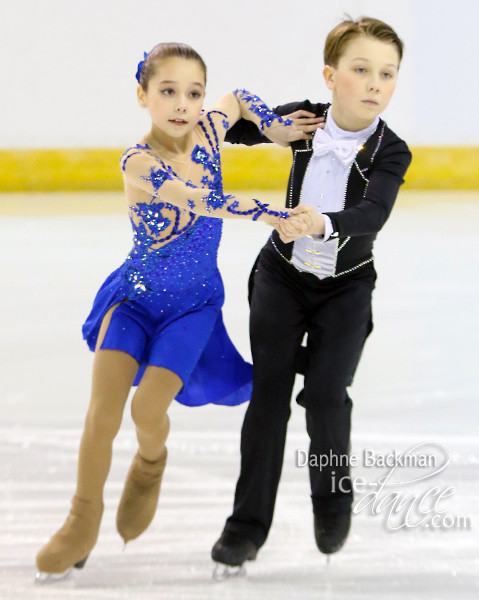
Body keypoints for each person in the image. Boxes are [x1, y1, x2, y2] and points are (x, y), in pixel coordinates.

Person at [35, 42, 320, 581]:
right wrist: (267, 210)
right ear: (142, 95)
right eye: (167, 91)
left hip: (193, 307)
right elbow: (198, 199)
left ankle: (149, 465)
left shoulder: (211, 131)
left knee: (148, 412)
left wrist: (273, 126)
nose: (182, 103)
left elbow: (238, 99)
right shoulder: (139, 161)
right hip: (135, 298)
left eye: (193, 92)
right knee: (103, 410)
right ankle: (81, 520)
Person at [211, 16, 413, 571]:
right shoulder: (305, 119)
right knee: (269, 397)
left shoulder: (392, 152)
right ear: (331, 75)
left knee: (326, 395)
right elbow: (230, 129)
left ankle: (332, 499)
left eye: (387, 74)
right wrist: (269, 127)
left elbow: (372, 214)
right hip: (280, 279)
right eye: (361, 69)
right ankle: (246, 526)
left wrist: (320, 222)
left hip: (346, 289)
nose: (375, 83)